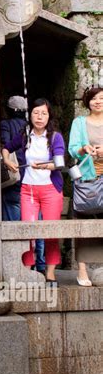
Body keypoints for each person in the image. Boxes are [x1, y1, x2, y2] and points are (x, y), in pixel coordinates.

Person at [2, 98, 65, 286]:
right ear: (29, 115)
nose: (39, 117)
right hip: (28, 189)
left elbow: (59, 164)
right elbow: (6, 148)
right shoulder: (24, 134)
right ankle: (28, 272)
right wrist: (7, 161)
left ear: (49, 116)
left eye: (43, 113)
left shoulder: (55, 137)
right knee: (27, 231)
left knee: (51, 232)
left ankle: (50, 273)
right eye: (36, 112)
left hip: (51, 190)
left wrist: (45, 166)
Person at [1, 95, 45, 273]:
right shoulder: (33, 129)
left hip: (15, 179)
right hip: (35, 180)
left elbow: (4, 145)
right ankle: (40, 264)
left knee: (14, 223)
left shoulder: (6, 125)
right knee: (38, 223)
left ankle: (18, 264)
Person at [68, 86, 103, 286]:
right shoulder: (79, 122)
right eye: (94, 98)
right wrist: (84, 149)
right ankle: (82, 270)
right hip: (88, 179)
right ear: (87, 101)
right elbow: (73, 150)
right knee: (82, 222)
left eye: (102, 98)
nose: (98, 102)